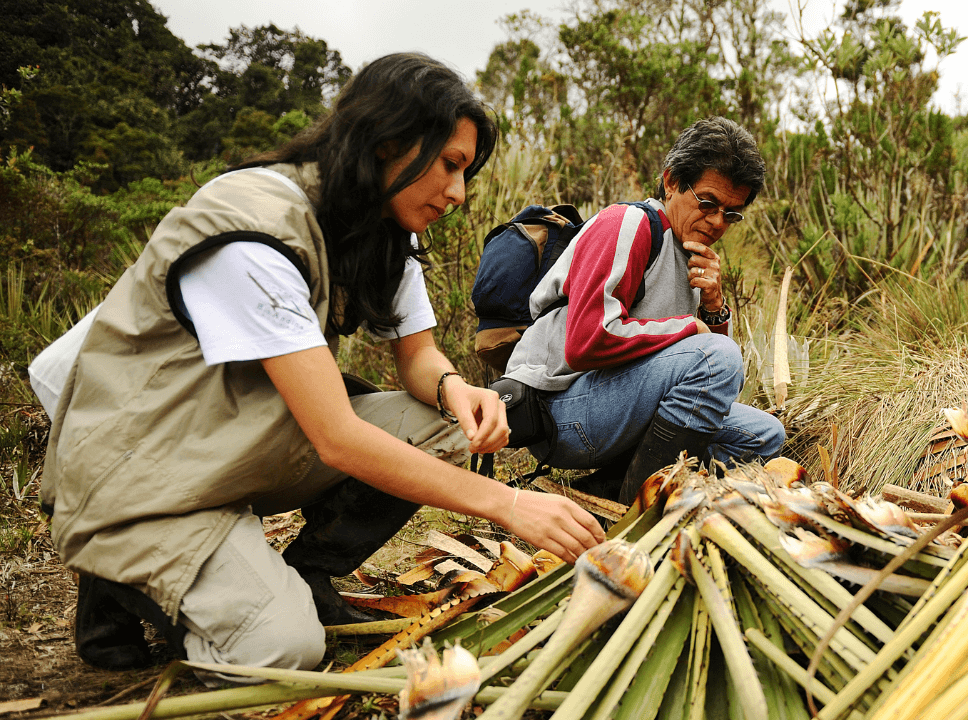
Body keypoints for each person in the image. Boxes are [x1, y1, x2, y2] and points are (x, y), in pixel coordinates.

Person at [31, 52, 604, 679]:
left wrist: (454, 388)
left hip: (217, 442)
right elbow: (335, 437)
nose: (458, 193)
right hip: (137, 473)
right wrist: (508, 505)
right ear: (389, 141)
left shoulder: (378, 224)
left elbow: (417, 356)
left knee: (442, 422)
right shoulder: (254, 233)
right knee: (281, 651)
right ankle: (120, 572)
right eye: (450, 165)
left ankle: (305, 578)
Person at [503, 116, 786, 505]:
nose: (718, 222)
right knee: (715, 356)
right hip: (560, 412)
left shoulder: (688, 252)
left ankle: (608, 492)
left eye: (731, 213)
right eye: (708, 203)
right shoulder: (627, 224)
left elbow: (720, 386)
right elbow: (586, 341)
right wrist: (690, 328)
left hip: (619, 410)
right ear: (671, 181)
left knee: (765, 435)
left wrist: (714, 308)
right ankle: (639, 510)